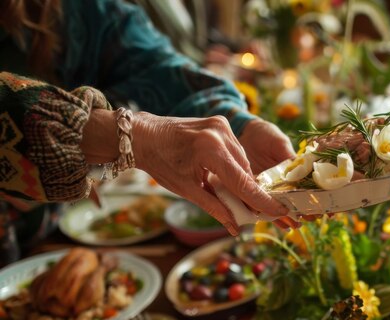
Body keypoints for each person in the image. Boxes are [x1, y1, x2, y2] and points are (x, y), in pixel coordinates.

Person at [0, 0, 297, 237]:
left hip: (58, 235)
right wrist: (131, 137)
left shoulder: (65, 8)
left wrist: (237, 125)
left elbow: (148, 62)